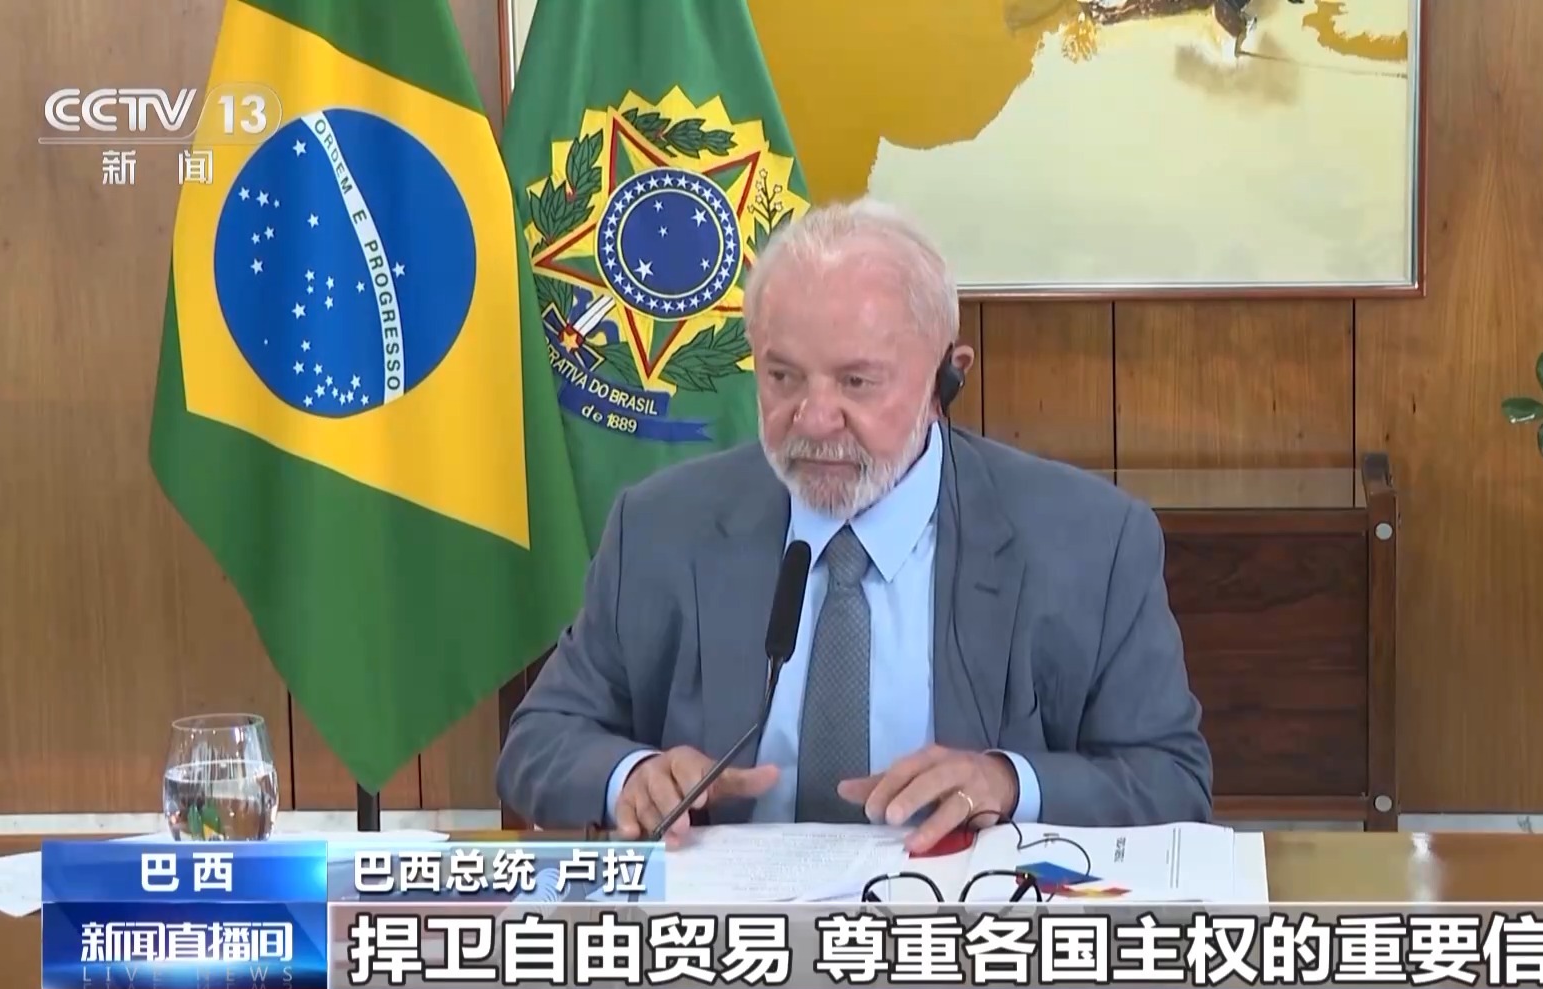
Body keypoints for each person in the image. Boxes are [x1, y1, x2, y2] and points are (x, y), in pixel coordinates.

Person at [496, 198, 1212, 854]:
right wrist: (630, 775)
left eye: (857, 382)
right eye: (782, 377)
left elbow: (1170, 780)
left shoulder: (1089, 540)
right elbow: (540, 741)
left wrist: (1007, 782)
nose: (813, 419)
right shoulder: (662, 526)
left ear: (946, 379)